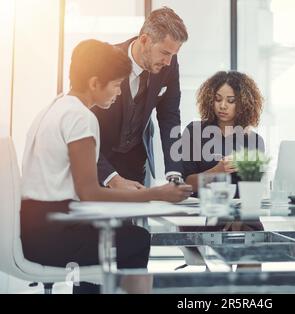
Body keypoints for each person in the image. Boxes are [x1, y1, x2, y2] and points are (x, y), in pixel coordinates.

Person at [20, 40, 192, 293]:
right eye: (115, 85)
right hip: (53, 237)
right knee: (138, 239)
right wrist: (156, 193)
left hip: (35, 230)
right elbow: (90, 193)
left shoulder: (54, 107)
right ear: (94, 83)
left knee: (117, 232)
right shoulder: (80, 117)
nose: (119, 93)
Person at [92, 7, 188, 191]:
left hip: (135, 164)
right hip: (100, 164)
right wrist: (111, 177)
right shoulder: (106, 60)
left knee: (134, 219)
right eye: (165, 53)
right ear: (144, 40)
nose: (168, 62)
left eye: (173, 55)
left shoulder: (169, 66)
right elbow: (84, 127)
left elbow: (170, 118)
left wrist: (174, 173)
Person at [180, 71, 265, 233]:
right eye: (217, 99)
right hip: (201, 213)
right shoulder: (194, 131)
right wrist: (217, 171)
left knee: (251, 238)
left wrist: (237, 218)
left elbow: (252, 192)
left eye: (231, 101)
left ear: (243, 103)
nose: (222, 105)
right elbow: (186, 185)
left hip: (239, 214)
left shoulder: (253, 141)